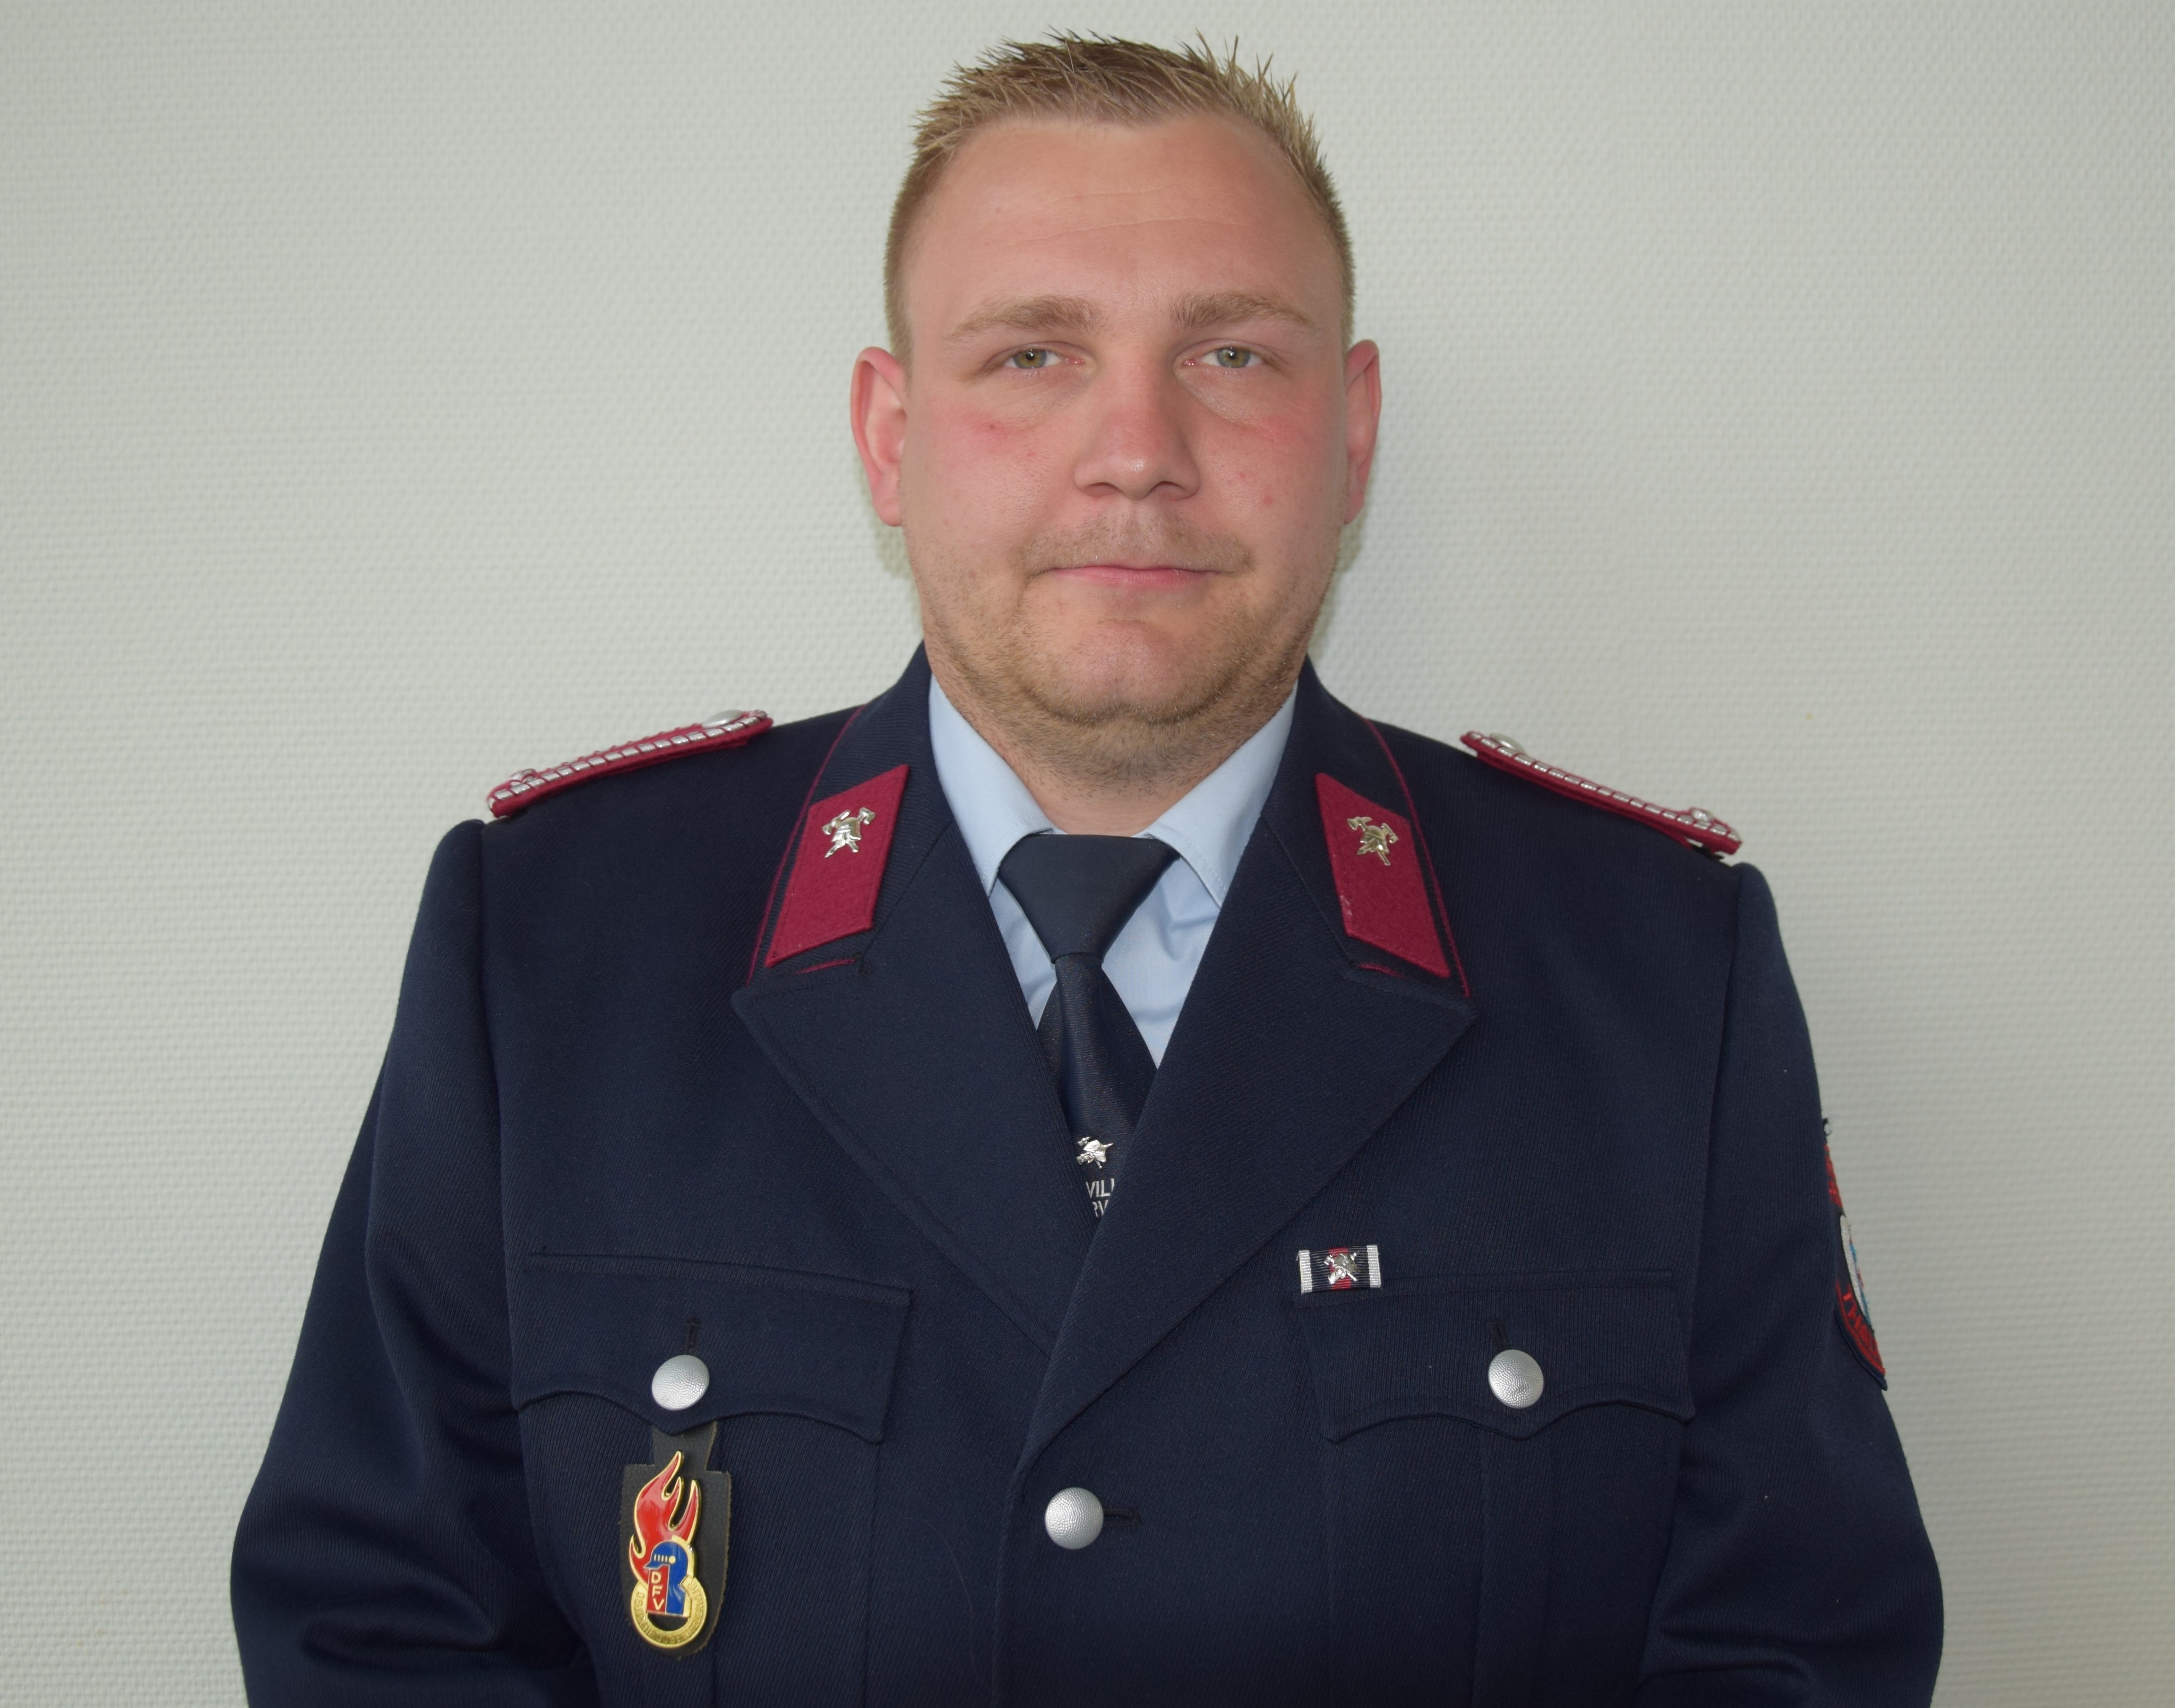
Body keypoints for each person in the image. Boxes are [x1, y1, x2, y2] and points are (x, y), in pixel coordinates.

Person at [233, 34, 1940, 1706]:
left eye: (1233, 353)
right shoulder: (553, 949)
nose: (1137, 447)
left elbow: (1795, 1641)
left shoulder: (1657, 970)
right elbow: (385, 1627)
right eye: (1032, 353)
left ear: (1351, 431)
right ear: (888, 433)